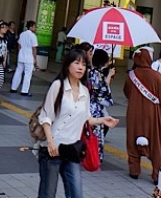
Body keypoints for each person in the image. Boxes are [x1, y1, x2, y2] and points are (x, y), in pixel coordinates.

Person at [37, 49, 119, 198]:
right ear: (68, 65)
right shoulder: (58, 86)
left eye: (84, 64)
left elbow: (86, 118)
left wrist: (102, 120)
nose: (81, 67)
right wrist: (50, 142)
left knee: (76, 194)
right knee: (47, 194)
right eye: (76, 63)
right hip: (53, 149)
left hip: (72, 150)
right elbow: (45, 117)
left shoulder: (84, 92)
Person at [124, 47, 161, 183]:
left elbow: (126, 92)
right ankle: (156, 174)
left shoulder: (131, 75)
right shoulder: (156, 76)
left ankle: (134, 170)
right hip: (153, 114)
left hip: (133, 113)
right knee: (156, 143)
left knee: (132, 141)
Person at [87, 48, 115, 162]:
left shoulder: (91, 72)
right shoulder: (99, 75)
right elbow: (103, 92)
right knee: (96, 133)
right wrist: (109, 75)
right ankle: (94, 155)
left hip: (88, 105)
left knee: (88, 131)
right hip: (96, 108)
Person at [10, 20, 39, 96]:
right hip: (29, 58)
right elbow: (34, 49)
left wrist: (20, 52)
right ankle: (24, 91)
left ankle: (13, 88)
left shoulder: (22, 34)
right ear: (31, 27)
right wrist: (35, 59)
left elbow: (19, 45)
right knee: (27, 74)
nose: (35, 28)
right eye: (34, 27)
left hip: (21, 56)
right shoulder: (33, 36)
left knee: (18, 72)